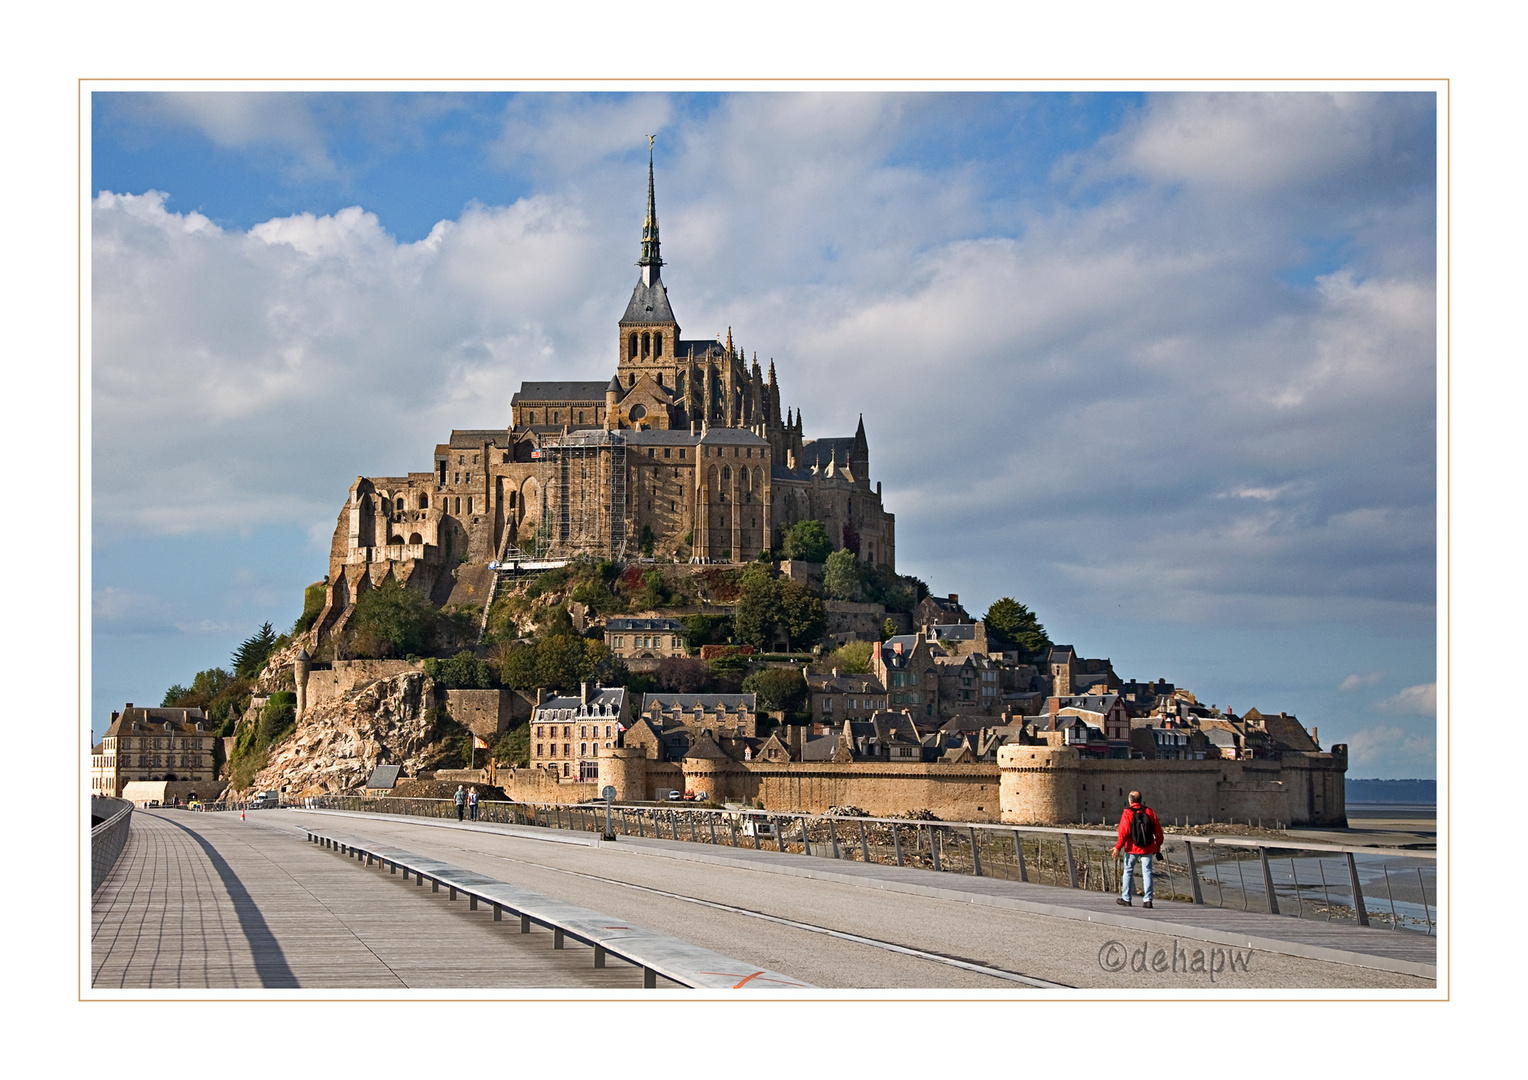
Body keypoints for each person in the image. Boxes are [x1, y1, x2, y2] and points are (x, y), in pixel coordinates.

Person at [1114, 790, 1164, 908]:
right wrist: (1157, 846)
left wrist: (1118, 847)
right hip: (1148, 847)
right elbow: (1158, 831)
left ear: (1130, 800)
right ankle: (1147, 900)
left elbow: (1123, 832)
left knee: (1128, 871)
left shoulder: (1127, 812)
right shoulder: (1149, 811)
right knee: (1147, 872)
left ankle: (1126, 898)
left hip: (1132, 848)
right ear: (1141, 800)